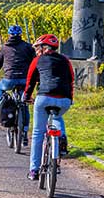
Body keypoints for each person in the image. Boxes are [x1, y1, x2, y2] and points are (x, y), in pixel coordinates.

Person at [24, 34, 74, 181]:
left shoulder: (37, 60)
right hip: (64, 99)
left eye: (38, 48)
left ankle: (34, 170)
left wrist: (27, 96)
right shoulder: (66, 60)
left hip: (44, 97)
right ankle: (62, 137)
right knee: (57, 117)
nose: (37, 51)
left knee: (38, 133)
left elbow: (30, 81)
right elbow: (71, 80)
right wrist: (69, 99)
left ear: (43, 48)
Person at [0, 25, 36, 141]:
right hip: (25, 79)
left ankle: (1, 105)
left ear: (9, 35)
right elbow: (34, 61)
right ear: (21, 34)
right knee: (24, 104)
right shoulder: (28, 47)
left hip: (9, 79)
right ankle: (25, 131)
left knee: (0, 89)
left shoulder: (4, 48)